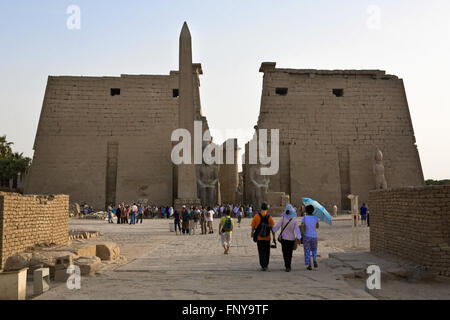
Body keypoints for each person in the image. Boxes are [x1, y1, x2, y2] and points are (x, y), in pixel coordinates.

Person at [272, 204, 301, 272]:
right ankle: (289, 265)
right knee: (290, 253)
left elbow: (277, 226)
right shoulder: (294, 220)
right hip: (291, 239)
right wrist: (299, 238)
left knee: (285, 253)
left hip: (284, 239)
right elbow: (297, 230)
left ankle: (287, 266)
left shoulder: (283, 218)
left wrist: (273, 230)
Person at [251, 202, 275, 271]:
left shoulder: (256, 216)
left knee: (261, 252)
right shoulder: (269, 217)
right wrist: (273, 236)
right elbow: (272, 228)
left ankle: (262, 265)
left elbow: (253, 226)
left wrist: (252, 233)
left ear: (261, 208)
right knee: (267, 252)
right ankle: (266, 265)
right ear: (267, 209)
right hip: (267, 238)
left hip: (259, 238)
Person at [301, 205, 319, 270]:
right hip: (314, 236)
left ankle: (309, 265)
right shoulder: (316, 218)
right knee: (314, 249)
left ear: (306, 210)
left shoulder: (305, 218)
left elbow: (302, 226)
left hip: (307, 236)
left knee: (307, 250)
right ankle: (314, 259)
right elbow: (317, 226)